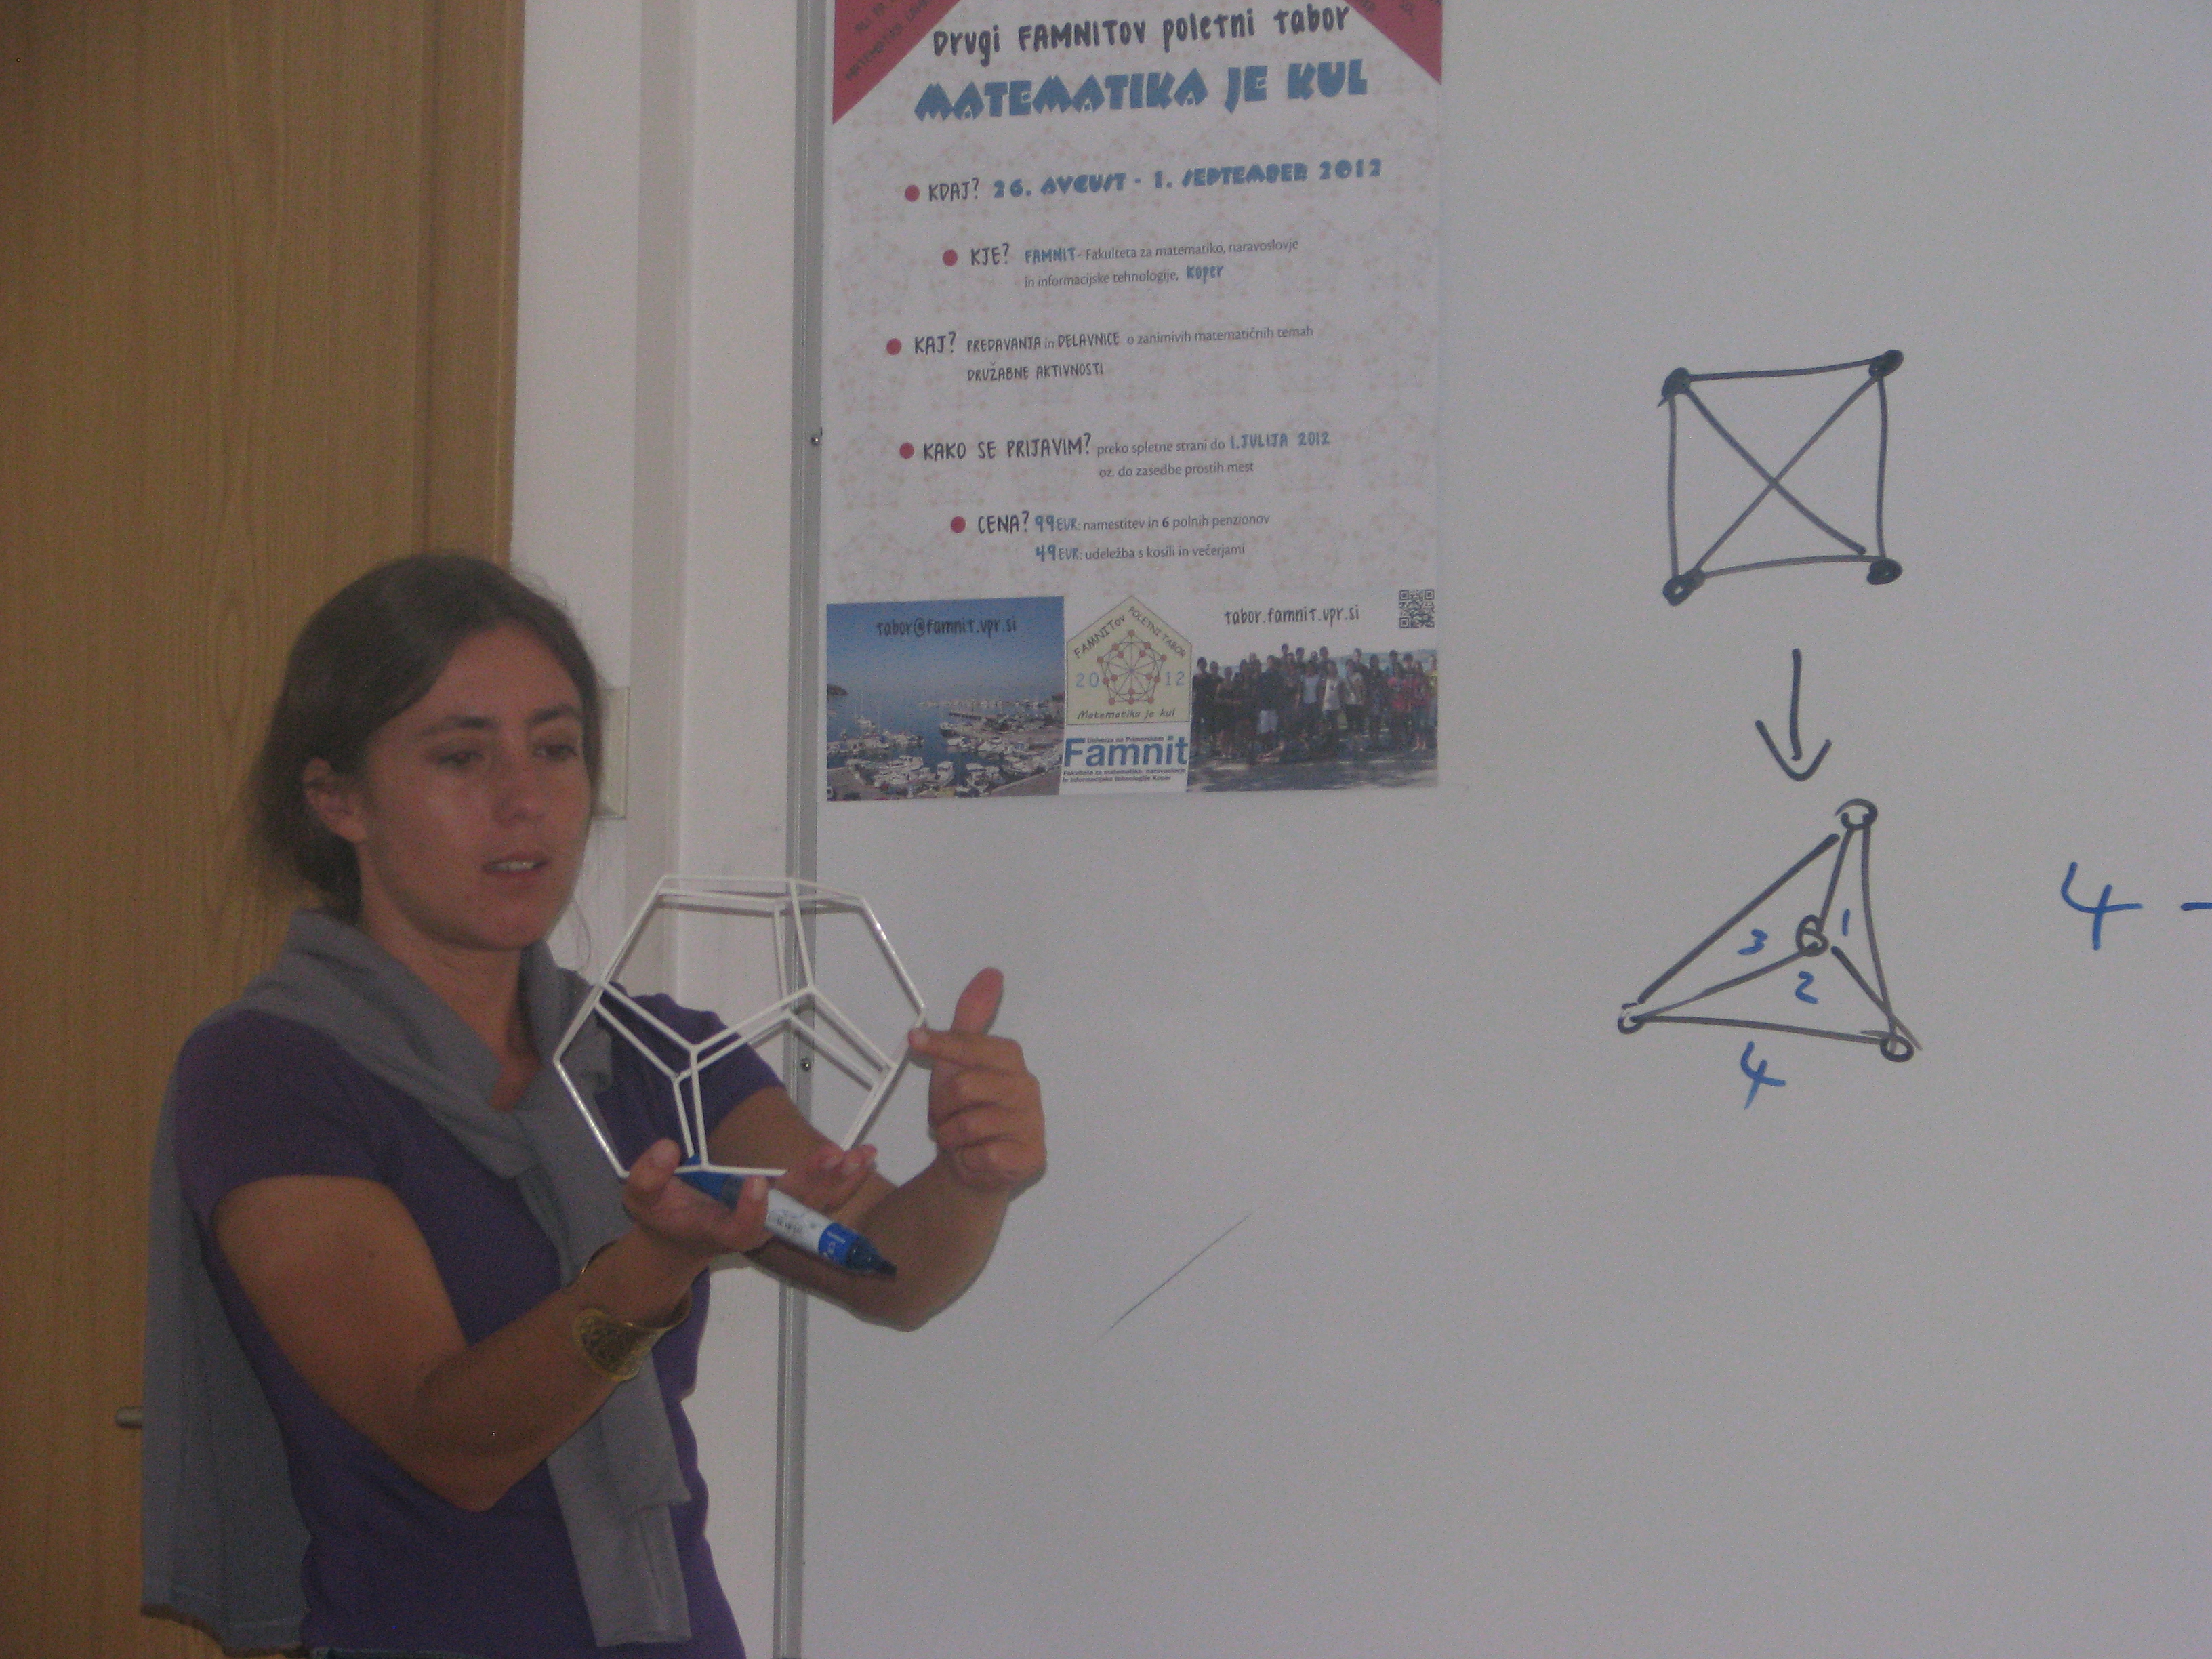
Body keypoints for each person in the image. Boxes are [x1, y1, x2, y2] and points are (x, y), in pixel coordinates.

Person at [142, 553, 1046, 1659]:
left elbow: (883, 1267)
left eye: (557, 748)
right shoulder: (269, 1073)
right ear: (338, 799)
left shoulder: (653, 1055)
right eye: (460, 756)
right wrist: (654, 1266)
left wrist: (972, 1175)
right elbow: (452, 1443)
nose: (524, 800)